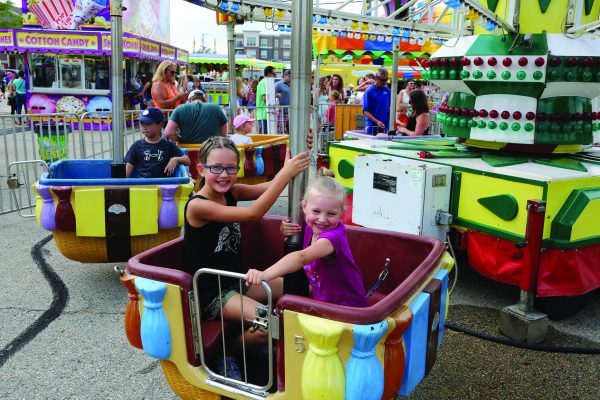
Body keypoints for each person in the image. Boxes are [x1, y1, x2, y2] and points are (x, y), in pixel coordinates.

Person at [182, 135, 309, 340]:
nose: (224, 174)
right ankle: (229, 352)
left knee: (301, 288)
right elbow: (253, 214)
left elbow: (269, 187)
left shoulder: (233, 192)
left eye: (231, 168)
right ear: (201, 170)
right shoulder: (198, 205)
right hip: (213, 295)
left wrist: (294, 158)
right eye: (216, 168)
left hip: (237, 281)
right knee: (272, 324)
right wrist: (286, 173)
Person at [245, 168, 368, 308]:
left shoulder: (332, 237)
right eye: (316, 211)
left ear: (341, 213)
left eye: (331, 214)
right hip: (324, 300)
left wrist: (265, 274)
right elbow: (289, 232)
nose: (322, 219)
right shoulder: (309, 227)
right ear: (304, 206)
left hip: (347, 307)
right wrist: (283, 229)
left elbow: (301, 257)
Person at [125, 107, 190, 178]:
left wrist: (176, 159)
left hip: (163, 187)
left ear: (160, 125)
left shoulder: (169, 145)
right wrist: (122, 187)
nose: (144, 127)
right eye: (142, 123)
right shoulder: (136, 145)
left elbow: (187, 160)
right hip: (142, 186)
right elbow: (128, 167)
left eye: (148, 123)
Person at [362, 68, 391, 134]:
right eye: (382, 80)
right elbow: (366, 111)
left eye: (386, 80)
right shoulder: (369, 91)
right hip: (372, 126)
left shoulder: (387, 91)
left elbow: (390, 108)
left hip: (385, 125)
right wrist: (377, 121)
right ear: (376, 78)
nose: (384, 82)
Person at [256, 66, 276, 134]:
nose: (275, 75)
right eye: (274, 73)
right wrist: (276, 95)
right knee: (264, 135)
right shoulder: (264, 83)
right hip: (263, 114)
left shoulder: (265, 82)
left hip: (265, 114)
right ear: (268, 74)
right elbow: (264, 97)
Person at [275, 69, 291, 134]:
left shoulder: (293, 84)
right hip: (282, 111)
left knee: (290, 128)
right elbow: (271, 95)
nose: (291, 78)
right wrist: (276, 95)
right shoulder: (278, 84)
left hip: (291, 110)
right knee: (280, 129)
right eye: (289, 76)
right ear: (285, 76)